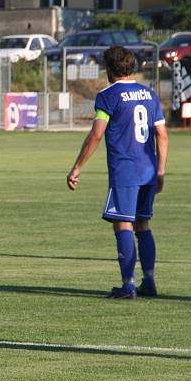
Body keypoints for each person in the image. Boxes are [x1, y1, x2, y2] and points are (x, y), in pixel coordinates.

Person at [66, 46, 169, 299]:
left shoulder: (107, 96)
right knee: (143, 225)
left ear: (109, 69)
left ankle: (128, 285)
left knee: (123, 223)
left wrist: (77, 167)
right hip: (148, 171)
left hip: (125, 171)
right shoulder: (149, 95)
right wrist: (161, 171)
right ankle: (150, 281)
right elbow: (162, 135)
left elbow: (97, 134)